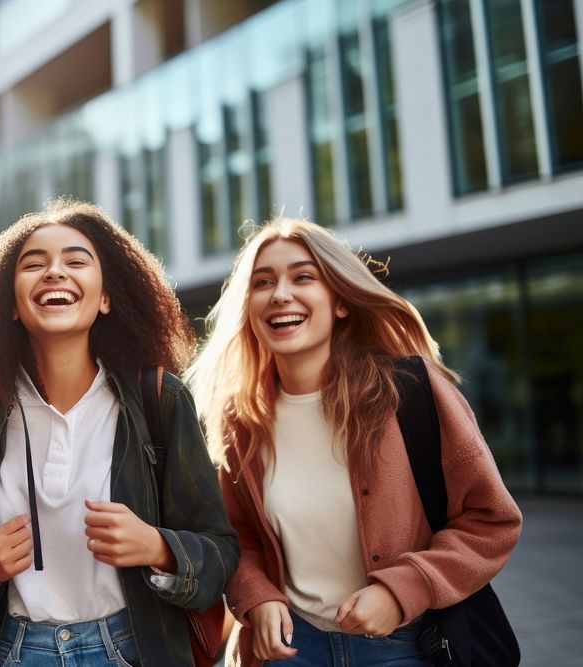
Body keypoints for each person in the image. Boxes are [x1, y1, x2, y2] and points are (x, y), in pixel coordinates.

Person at [186, 217, 522, 666]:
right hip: (290, 651)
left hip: (409, 649)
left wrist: (403, 588)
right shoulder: (241, 420)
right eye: (262, 282)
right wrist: (258, 596)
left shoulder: (410, 391)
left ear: (340, 301)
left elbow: (492, 520)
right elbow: (235, 536)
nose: (280, 293)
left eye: (303, 276)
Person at [0, 198, 239, 665]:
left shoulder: (158, 399)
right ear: (13, 306)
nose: (54, 272)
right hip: (13, 652)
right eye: (33, 264)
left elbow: (221, 549)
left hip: (130, 649)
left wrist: (159, 548)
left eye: (76, 260)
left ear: (105, 297)